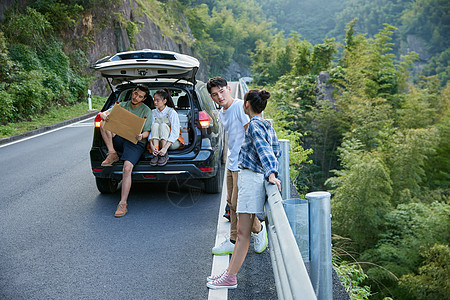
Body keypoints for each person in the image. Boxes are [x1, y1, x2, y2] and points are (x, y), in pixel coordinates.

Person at [207, 89, 281, 289]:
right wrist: (271, 171)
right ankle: (229, 273)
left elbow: (265, 152)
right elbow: (276, 150)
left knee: (242, 234)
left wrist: (271, 173)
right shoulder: (267, 125)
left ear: (246, 104)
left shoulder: (255, 126)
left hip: (250, 181)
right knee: (241, 232)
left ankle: (230, 277)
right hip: (253, 180)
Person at [207, 77, 268, 256]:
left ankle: (256, 231)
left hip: (243, 164)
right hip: (232, 162)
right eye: (215, 95)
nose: (219, 97)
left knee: (238, 204)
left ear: (229, 89)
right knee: (231, 203)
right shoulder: (222, 113)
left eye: (222, 92)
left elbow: (253, 135)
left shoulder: (240, 108)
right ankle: (235, 240)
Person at [99, 84, 152, 217]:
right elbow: (104, 113)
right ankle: (112, 153)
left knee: (127, 168)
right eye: (135, 94)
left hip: (136, 142)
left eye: (140, 96)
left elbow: (147, 132)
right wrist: (103, 114)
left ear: (144, 99)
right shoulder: (122, 105)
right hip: (120, 138)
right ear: (133, 92)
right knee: (102, 123)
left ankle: (122, 204)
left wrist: (141, 136)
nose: (136, 98)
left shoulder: (146, 111)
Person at [147, 88, 183, 166]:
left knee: (163, 125)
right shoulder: (153, 112)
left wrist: (165, 148)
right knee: (155, 125)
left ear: (164, 101)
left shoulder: (171, 112)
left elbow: (175, 132)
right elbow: (150, 130)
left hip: (171, 143)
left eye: (158, 100)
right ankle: (156, 154)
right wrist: (152, 146)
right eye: (154, 100)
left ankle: (164, 154)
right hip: (157, 143)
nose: (155, 102)